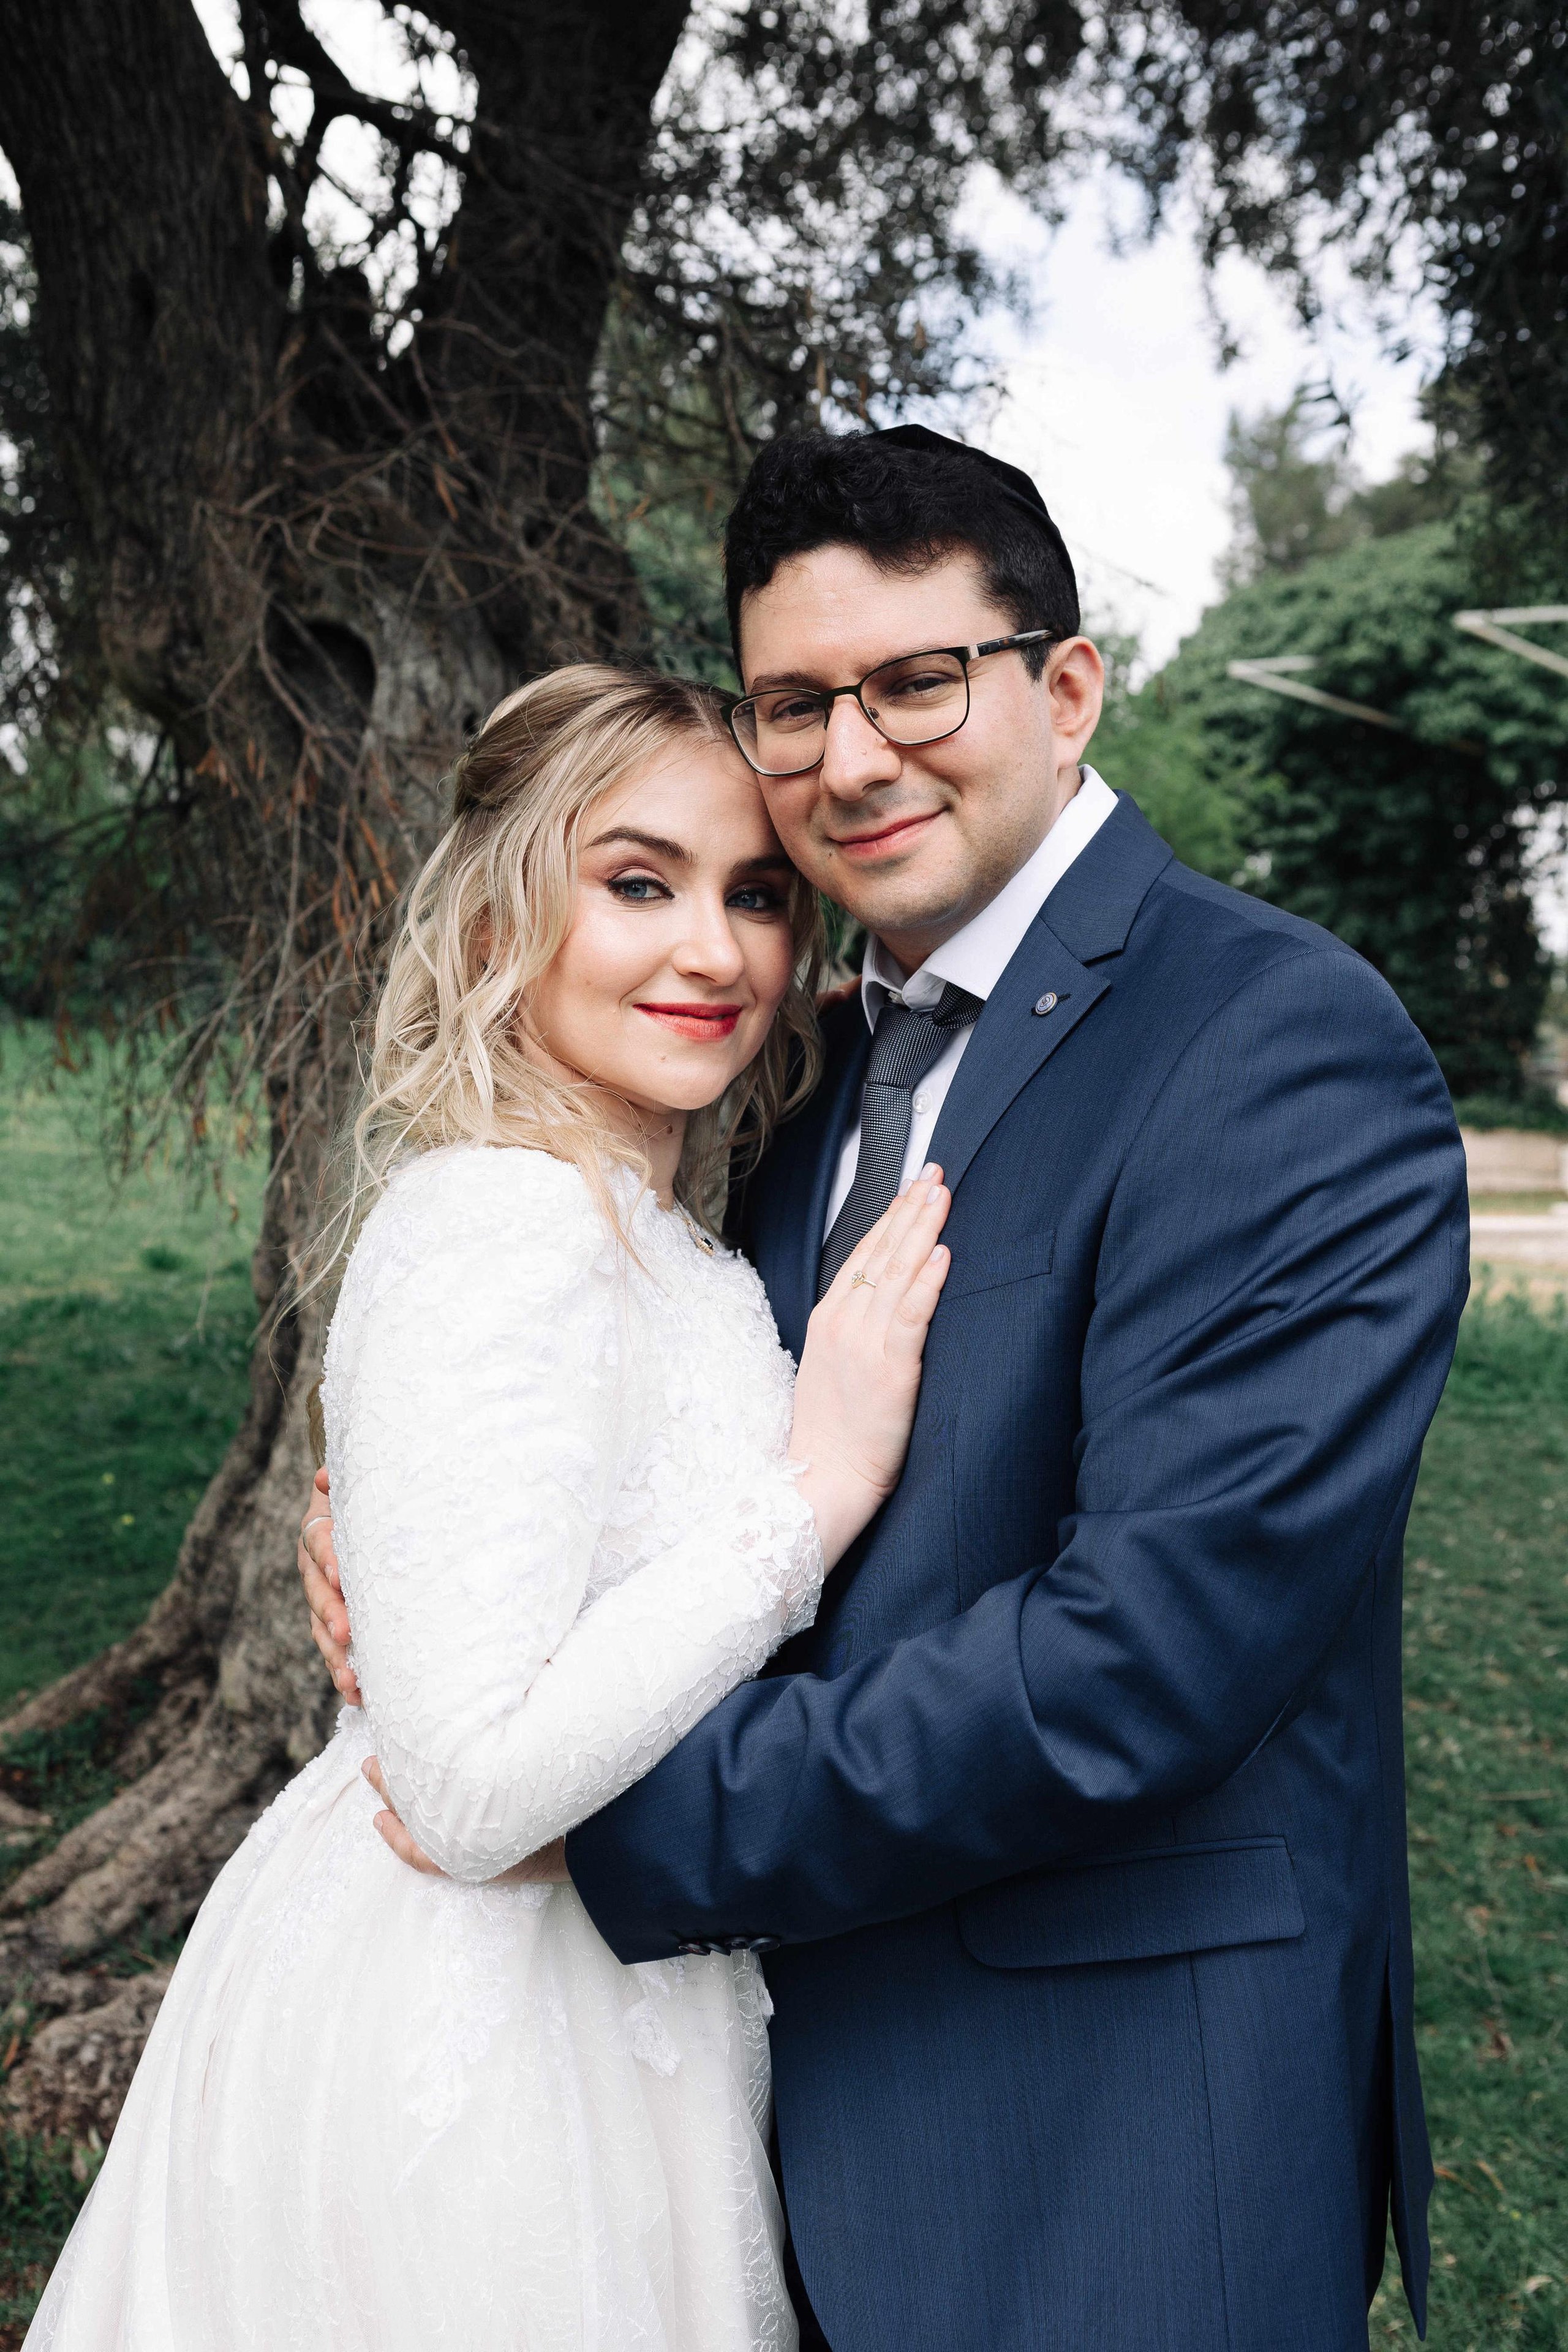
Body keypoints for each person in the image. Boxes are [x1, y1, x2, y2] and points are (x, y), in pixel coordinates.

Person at [302, 429, 1471, 2351]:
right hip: (747, 2123)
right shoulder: (800, 1063)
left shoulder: (1275, 1041)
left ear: (1067, 683)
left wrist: (583, 1806)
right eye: (794, 704)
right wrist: (397, 1531)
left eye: (919, 679)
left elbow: (1143, 1657)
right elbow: (592, 1380)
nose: (853, 756)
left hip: (1108, 2140)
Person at [26, 665, 956, 2352]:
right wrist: (808, 1497)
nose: (718, 952)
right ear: (492, 923)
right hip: (478, 2035)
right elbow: (461, 1792)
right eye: (638, 883)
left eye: (757, 895)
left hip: (627, 1985)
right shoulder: (505, 1231)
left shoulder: (653, 1222)